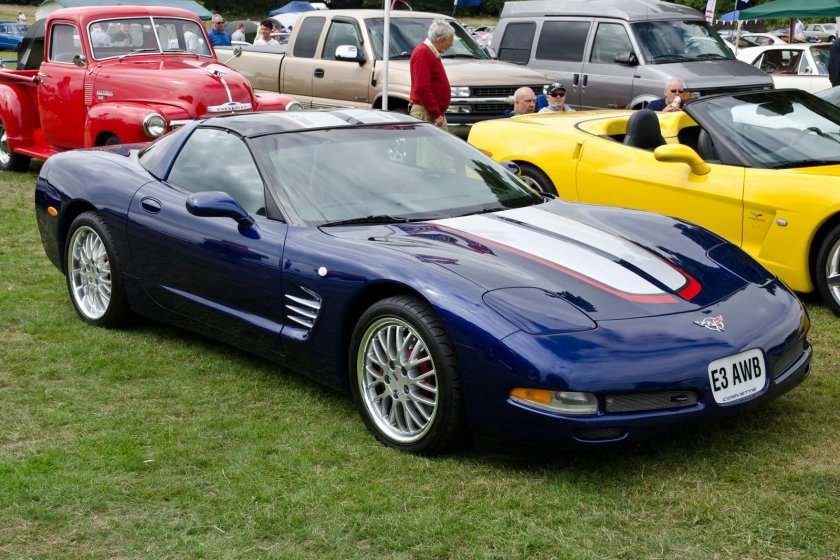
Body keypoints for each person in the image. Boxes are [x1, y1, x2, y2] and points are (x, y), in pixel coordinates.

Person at [409, 19, 455, 130]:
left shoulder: (430, 52)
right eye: (451, 39)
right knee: (426, 147)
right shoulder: (423, 53)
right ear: (442, 40)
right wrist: (436, 114)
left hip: (430, 112)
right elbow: (422, 87)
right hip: (426, 113)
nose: (451, 44)